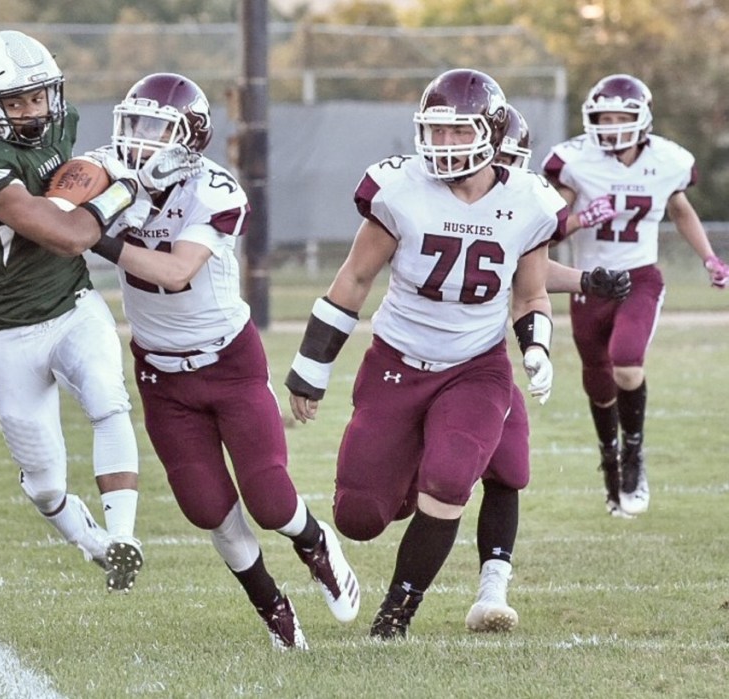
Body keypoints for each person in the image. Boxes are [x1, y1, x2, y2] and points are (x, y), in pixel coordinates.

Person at [285, 69, 566, 640]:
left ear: (489, 132)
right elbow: (355, 279)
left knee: (450, 478)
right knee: (358, 517)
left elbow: (532, 293)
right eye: (434, 132)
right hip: (396, 360)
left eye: (456, 133)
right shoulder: (400, 189)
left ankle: (396, 615)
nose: (442, 146)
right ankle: (407, 464)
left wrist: (536, 346)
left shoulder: (530, 201)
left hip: (476, 367)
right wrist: (311, 368)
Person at [85, 72, 360, 649]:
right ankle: (272, 606)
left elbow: (173, 271)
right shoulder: (109, 173)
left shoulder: (214, 190)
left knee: (269, 499)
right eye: (133, 125)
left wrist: (95, 235)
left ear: (190, 139)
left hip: (227, 363)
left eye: (156, 129)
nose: (139, 141)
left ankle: (315, 545)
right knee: (206, 507)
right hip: (160, 372)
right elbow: (54, 197)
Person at [0, 31, 199, 593]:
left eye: (40, 97)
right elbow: (65, 235)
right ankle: (94, 544)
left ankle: (123, 533)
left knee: (110, 402)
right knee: (46, 487)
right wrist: (126, 189)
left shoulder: (62, 120)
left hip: (74, 305)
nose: (34, 112)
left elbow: (81, 175)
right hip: (10, 334)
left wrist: (113, 173)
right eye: (17, 101)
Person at [465, 103, 631, 633]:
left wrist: (587, 281)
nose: (504, 173)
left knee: (509, 468)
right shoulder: (431, 198)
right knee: (389, 501)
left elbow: (524, 272)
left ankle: (493, 591)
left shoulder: (513, 198)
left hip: (485, 360)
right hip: (423, 358)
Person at [542, 73, 729, 517]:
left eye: (619, 117)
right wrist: (580, 218)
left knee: (627, 361)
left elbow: (680, 209)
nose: (609, 125)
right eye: (602, 117)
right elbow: (545, 229)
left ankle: (634, 455)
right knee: (599, 380)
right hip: (588, 281)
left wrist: (708, 257)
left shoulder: (668, 160)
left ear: (641, 119)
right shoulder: (575, 161)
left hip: (640, 277)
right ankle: (611, 462)